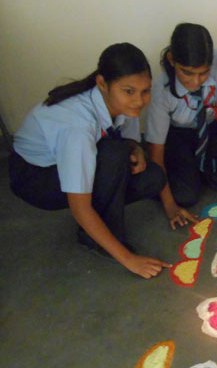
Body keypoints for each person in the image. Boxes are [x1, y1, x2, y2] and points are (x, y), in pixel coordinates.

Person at [9, 43, 172, 279]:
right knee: (114, 155)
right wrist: (130, 260)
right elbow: (79, 207)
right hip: (34, 177)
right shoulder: (78, 127)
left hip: (82, 156)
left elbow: (126, 139)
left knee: (152, 177)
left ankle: (100, 219)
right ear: (102, 84)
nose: (139, 100)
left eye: (145, 91)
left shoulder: (122, 104)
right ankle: (97, 239)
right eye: (129, 91)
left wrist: (135, 147)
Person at [146, 23, 217, 210]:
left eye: (203, 73)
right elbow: (156, 150)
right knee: (186, 196)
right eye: (187, 73)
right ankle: (192, 171)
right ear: (172, 60)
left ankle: (198, 169)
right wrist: (170, 206)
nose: (196, 81)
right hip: (178, 134)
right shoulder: (161, 90)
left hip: (210, 128)